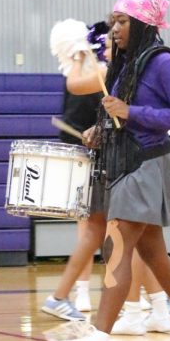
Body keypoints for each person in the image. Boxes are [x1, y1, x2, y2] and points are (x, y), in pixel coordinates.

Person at [48, 0, 170, 341]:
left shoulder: (162, 62)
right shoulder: (129, 64)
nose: (114, 29)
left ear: (144, 24)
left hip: (147, 163)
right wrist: (101, 129)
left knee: (117, 248)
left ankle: (96, 340)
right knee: (155, 255)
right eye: (113, 22)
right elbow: (119, 113)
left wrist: (131, 112)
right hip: (129, 162)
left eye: (122, 21)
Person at [42, 20, 109, 320]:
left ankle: (145, 298)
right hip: (88, 151)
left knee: (100, 228)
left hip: (98, 149)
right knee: (94, 226)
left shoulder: (94, 68)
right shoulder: (88, 71)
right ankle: (79, 292)